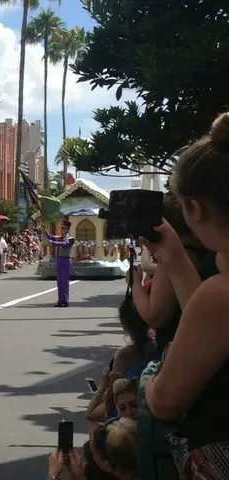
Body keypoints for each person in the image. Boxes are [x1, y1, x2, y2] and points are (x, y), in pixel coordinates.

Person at [143, 113, 229, 478]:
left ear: (194, 208)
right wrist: (176, 260)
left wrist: (148, 381)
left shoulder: (220, 295)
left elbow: (165, 401)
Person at [45, 220, 75, 307]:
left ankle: (65, 301)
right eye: (61, 228)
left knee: (64, 282)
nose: (62, 230)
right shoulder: (59, 237)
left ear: (67, 230)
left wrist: (52, 243)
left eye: (64, 228)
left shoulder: (70, 239)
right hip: (59, 260)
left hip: (66, 261)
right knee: (59, 282)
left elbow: (63, 244)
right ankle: (60, 301)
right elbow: (50, 237)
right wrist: (44, 230)